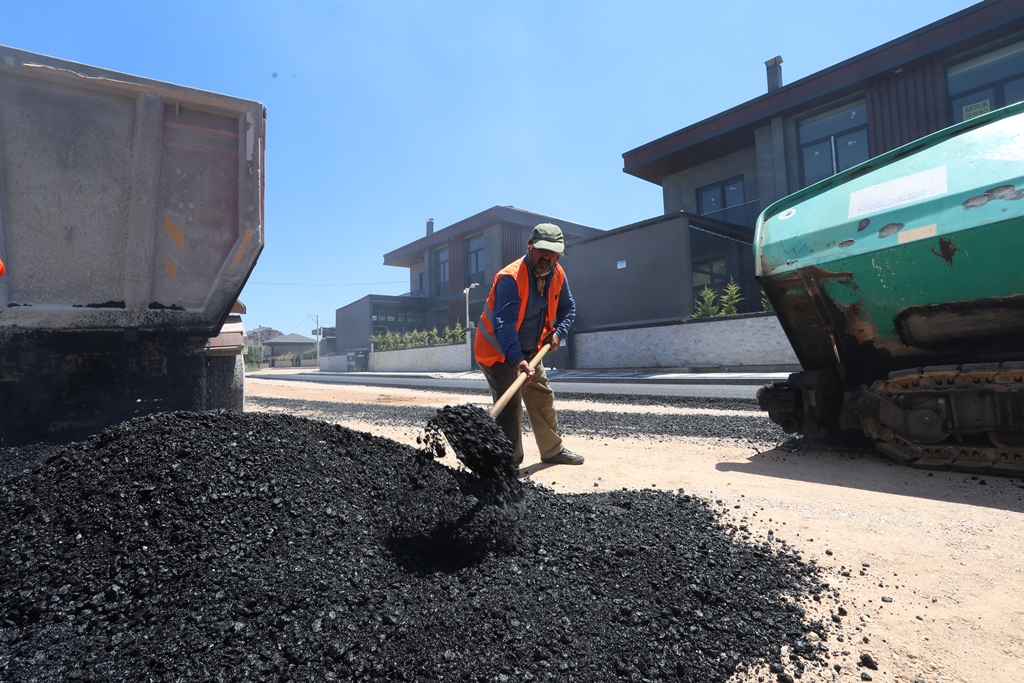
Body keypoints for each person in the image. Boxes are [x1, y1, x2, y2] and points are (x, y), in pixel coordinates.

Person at [474, 223, 584, 466]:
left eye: (553, 253)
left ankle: (552, 450)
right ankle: (508, 464)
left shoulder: (557, 274)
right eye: (542, 251)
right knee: (510, 406)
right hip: (498, 353)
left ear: (559, 254)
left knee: (542, 396)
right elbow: (503, 325)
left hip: (531, 351)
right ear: (530, 247)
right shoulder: (510, 278)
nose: (547, 257)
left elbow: (568, 308)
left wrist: (558, 333)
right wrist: (517, 360)